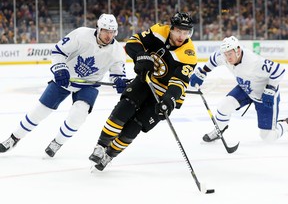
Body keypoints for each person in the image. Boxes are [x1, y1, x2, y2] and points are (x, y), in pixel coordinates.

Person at [0, 13, 128, 157]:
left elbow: (117, 73)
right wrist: (60, 68)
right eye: (106, 31)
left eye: (112, 32)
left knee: (79, 114)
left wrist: (119, 81)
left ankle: (58, 142)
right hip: (66, 78)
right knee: (40, 111)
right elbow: (59, 51)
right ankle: (14, 138)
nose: (109, 36)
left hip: (89, 84)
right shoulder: (81, 35)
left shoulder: (117, 51)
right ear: (98, 28)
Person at [88, 12, 197, 171]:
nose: (182, 36)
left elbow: (179, 82)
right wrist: (141, 56)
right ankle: (101, 145)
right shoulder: (159, 31)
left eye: (186, 32)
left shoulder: (189, 54)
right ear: (171, 28)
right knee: (123, 109)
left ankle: (110, 154)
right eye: (179, 31)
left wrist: (169, 100)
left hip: (164, 94)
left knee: (136, 126)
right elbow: (133, 42)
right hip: (146, 81)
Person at [189, 35, 288, 142]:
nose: (228, 57)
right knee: (224, 106)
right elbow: (213, 60)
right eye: (226, 54)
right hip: (246, 88)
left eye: (230, 54)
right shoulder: (224, 56)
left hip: (263, 95)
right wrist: (202, 72)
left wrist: (270, 89)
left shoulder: (253, 61)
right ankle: (219, 130)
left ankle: (286, 123)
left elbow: (279, 70)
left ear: (238, 50)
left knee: (268, 137)